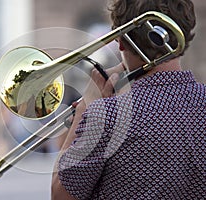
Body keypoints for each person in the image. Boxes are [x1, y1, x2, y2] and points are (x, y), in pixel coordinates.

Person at [51, 0, 205, 199]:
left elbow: (60, 195)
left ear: (120, 41)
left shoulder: (108, 116)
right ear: (183, 35)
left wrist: (86, 105)